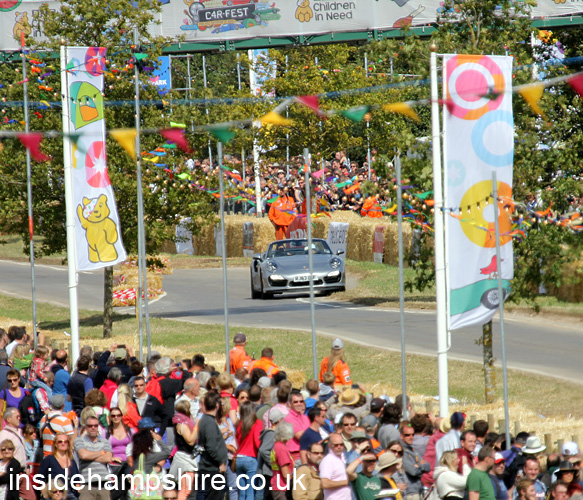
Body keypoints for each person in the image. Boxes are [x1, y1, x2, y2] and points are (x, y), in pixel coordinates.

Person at [74, 415, 115, 500]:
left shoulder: (105, 442)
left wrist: (89, 456)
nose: (93, 428)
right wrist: (101, 452)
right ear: (86, 427)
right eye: (90, 426)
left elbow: (108, 458)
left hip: (103, 483)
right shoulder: (79, 441)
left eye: (95, 426)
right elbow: (83, 455)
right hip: (86, 484)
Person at [198, 391, 228, 500]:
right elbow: (211, 447)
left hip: (211, 468)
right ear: (217, 405)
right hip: (212, 469)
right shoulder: (209, 423)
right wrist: (221, 462)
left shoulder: (207, 420)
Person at [38, 432, 80, 500]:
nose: (63, 443)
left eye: (66, 442)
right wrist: (45, 494)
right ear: (55, 444)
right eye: (60, 442)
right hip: (54, 495)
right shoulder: (49, 460)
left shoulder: (72, 460)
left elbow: (77, 480)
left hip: (70, 495)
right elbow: (40, 478)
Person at [170, 400, 198, 500]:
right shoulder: (182, 424)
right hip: (185, 459)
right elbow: (190, 441)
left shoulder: (180, 422)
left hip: (185, 458)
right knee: (185, 490)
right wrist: (197, 426)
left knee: (185, 490)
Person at [235, 401, 263, 500]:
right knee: (250, 492)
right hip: (251, 458)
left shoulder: (240, 424)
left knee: (242, 493)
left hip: (239, 458)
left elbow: (237, 440)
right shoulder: (257, 423)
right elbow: (257, 442)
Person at [401, 421, 430, 500]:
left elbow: (428, 466)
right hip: (410, 492)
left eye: (412, 434)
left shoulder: (413, 450)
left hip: (418, 489)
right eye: (407, 435)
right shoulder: (401, 451)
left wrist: (419, 466)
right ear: (401, 436)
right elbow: (413, 471)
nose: (411, 437)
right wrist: (421, 466)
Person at [319, 432, 351, 500]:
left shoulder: (345, 458)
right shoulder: (327, 461)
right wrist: (347, 482)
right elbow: (324, 484)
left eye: (341, 444)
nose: (339, 447)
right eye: (336, 445)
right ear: (330, 445)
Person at [284, 390, 310, 464]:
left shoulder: (305, 417)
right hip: (296, 455)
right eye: (295, 402)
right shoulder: (289, 418)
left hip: (307, 452)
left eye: (301, 401)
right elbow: (301, 437)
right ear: (290, 404)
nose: (299, 404)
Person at [271, 422, 295, 500]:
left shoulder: (276, 445)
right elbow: (285, 474)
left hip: (277, 484)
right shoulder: (281, 448)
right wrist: (292, 487)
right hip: (282, 487)